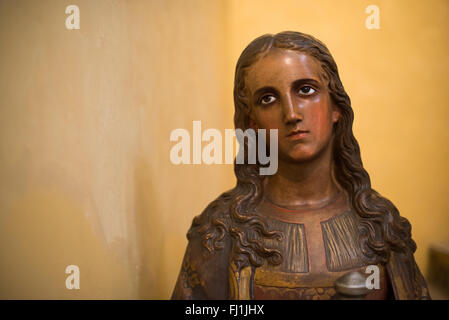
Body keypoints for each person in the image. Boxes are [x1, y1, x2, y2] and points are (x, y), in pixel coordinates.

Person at [171, 31, 430, 300]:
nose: (292, 114)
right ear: (253, 125)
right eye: (268, 99)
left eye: (306, 90)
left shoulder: (381, 223)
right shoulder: (220, 231)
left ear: (335, 106)